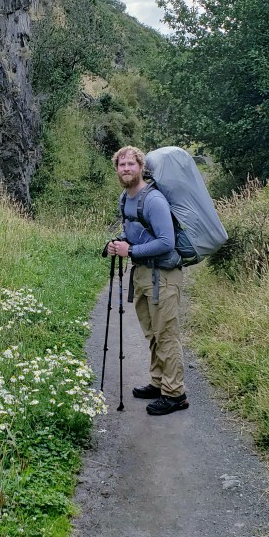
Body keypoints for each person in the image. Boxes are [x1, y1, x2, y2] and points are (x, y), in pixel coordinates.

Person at [107, 145, 189, 415]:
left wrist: (130, 251)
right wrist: (118, 243)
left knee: (166, 334)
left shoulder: (153, 200)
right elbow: (131, 232)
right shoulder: (125, 198)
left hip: (163, 276)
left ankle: (175, 394)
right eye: (122, 165)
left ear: (141, 167)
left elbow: (166, 242)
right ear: (117, 169)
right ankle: (158, 382)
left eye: (131, 164)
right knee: (153, 333)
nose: (126, 169)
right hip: (143, 274)